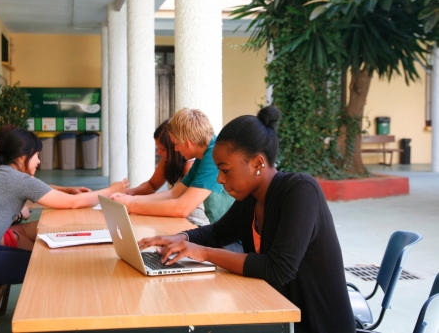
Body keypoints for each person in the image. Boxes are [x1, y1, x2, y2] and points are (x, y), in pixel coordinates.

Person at [138, 106, 355, 333]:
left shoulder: (301, 190)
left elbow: (278, 268)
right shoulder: (251, 198)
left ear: (258, 163)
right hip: (276, 315)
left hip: (315, 325)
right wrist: (177, 238)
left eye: (226, 170)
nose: (220, 179)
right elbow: (217, 233)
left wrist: (203, 253)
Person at [0, 128, 129, 289]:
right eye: (37, 155)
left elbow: (40, 188)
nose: (39, 161)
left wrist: (68, 190)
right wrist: (112, 189)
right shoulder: (15, 179)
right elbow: (72, 203)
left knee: (41, 259)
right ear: (23, 156)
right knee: (52, 267)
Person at [111, 108, 233, 224]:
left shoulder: (213, 155)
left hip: (232, 240)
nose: (175, 149)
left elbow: (182, 208)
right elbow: (174, 193)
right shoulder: (205, 152)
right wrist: (130, 200)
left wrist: (131, 205)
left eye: (176, 143)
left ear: (188, 142)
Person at [126, 119, 209, 226]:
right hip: (175, 218)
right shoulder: (169, 160)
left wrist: (132, 204)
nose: (158, 152)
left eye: (163, 149)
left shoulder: (192, 164)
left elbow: (179, 206)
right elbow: (167, 191)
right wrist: (130, 195)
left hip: (192, 223)